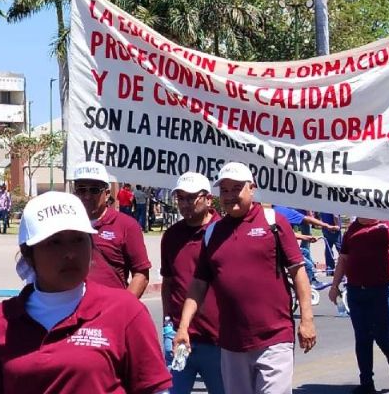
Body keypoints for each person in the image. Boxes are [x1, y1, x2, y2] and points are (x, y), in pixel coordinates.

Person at [0, 192, 172, 393]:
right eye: (55, 242)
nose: (70, 253)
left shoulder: (125, 311)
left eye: (79, 240)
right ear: (28, 254)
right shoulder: (1, 321)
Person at [174, 162, 317, 394]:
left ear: (252, 188)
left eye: (236, 189)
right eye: (225, 190)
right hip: (231, 344)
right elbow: (199, 284)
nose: (230, 196)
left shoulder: (273, 222)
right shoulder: (213, 232)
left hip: (274, 339)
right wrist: (183, 327)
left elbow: (298, 272)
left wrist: (307, 320)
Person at [328, 217, 389, 394]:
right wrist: (334, 285)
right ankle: (366, 382)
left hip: (387, 288)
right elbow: (344, 259)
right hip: (356, 290)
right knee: (362, 337)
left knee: (386, 335)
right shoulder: (352, 228)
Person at [161, 173, 224, 394]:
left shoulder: (224, 231)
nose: (185, 204)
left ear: (208, 199)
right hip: (181, 337)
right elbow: (168, 283)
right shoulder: (171, 236)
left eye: (191, 198)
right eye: (181, 198)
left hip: (218, 339)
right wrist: (168, 324)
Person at [72, 162, 152, 297]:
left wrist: (123, 309)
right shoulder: (66, 225)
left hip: (111, 311)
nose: (87, 195)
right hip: (73, 312)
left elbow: (141, 274)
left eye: (94, 190)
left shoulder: (126, 225)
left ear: (107, 193)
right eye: (81, 189)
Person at [272, 205, 337, 289]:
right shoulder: (280, 211)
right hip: (280, 250)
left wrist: (327, 226)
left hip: (283, 246)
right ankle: (309, 285)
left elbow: (306, 219)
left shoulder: (281, 210)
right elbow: (284, 234)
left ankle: (310, 279)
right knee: (308, 266)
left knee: (305, 252)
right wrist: (305, 237)